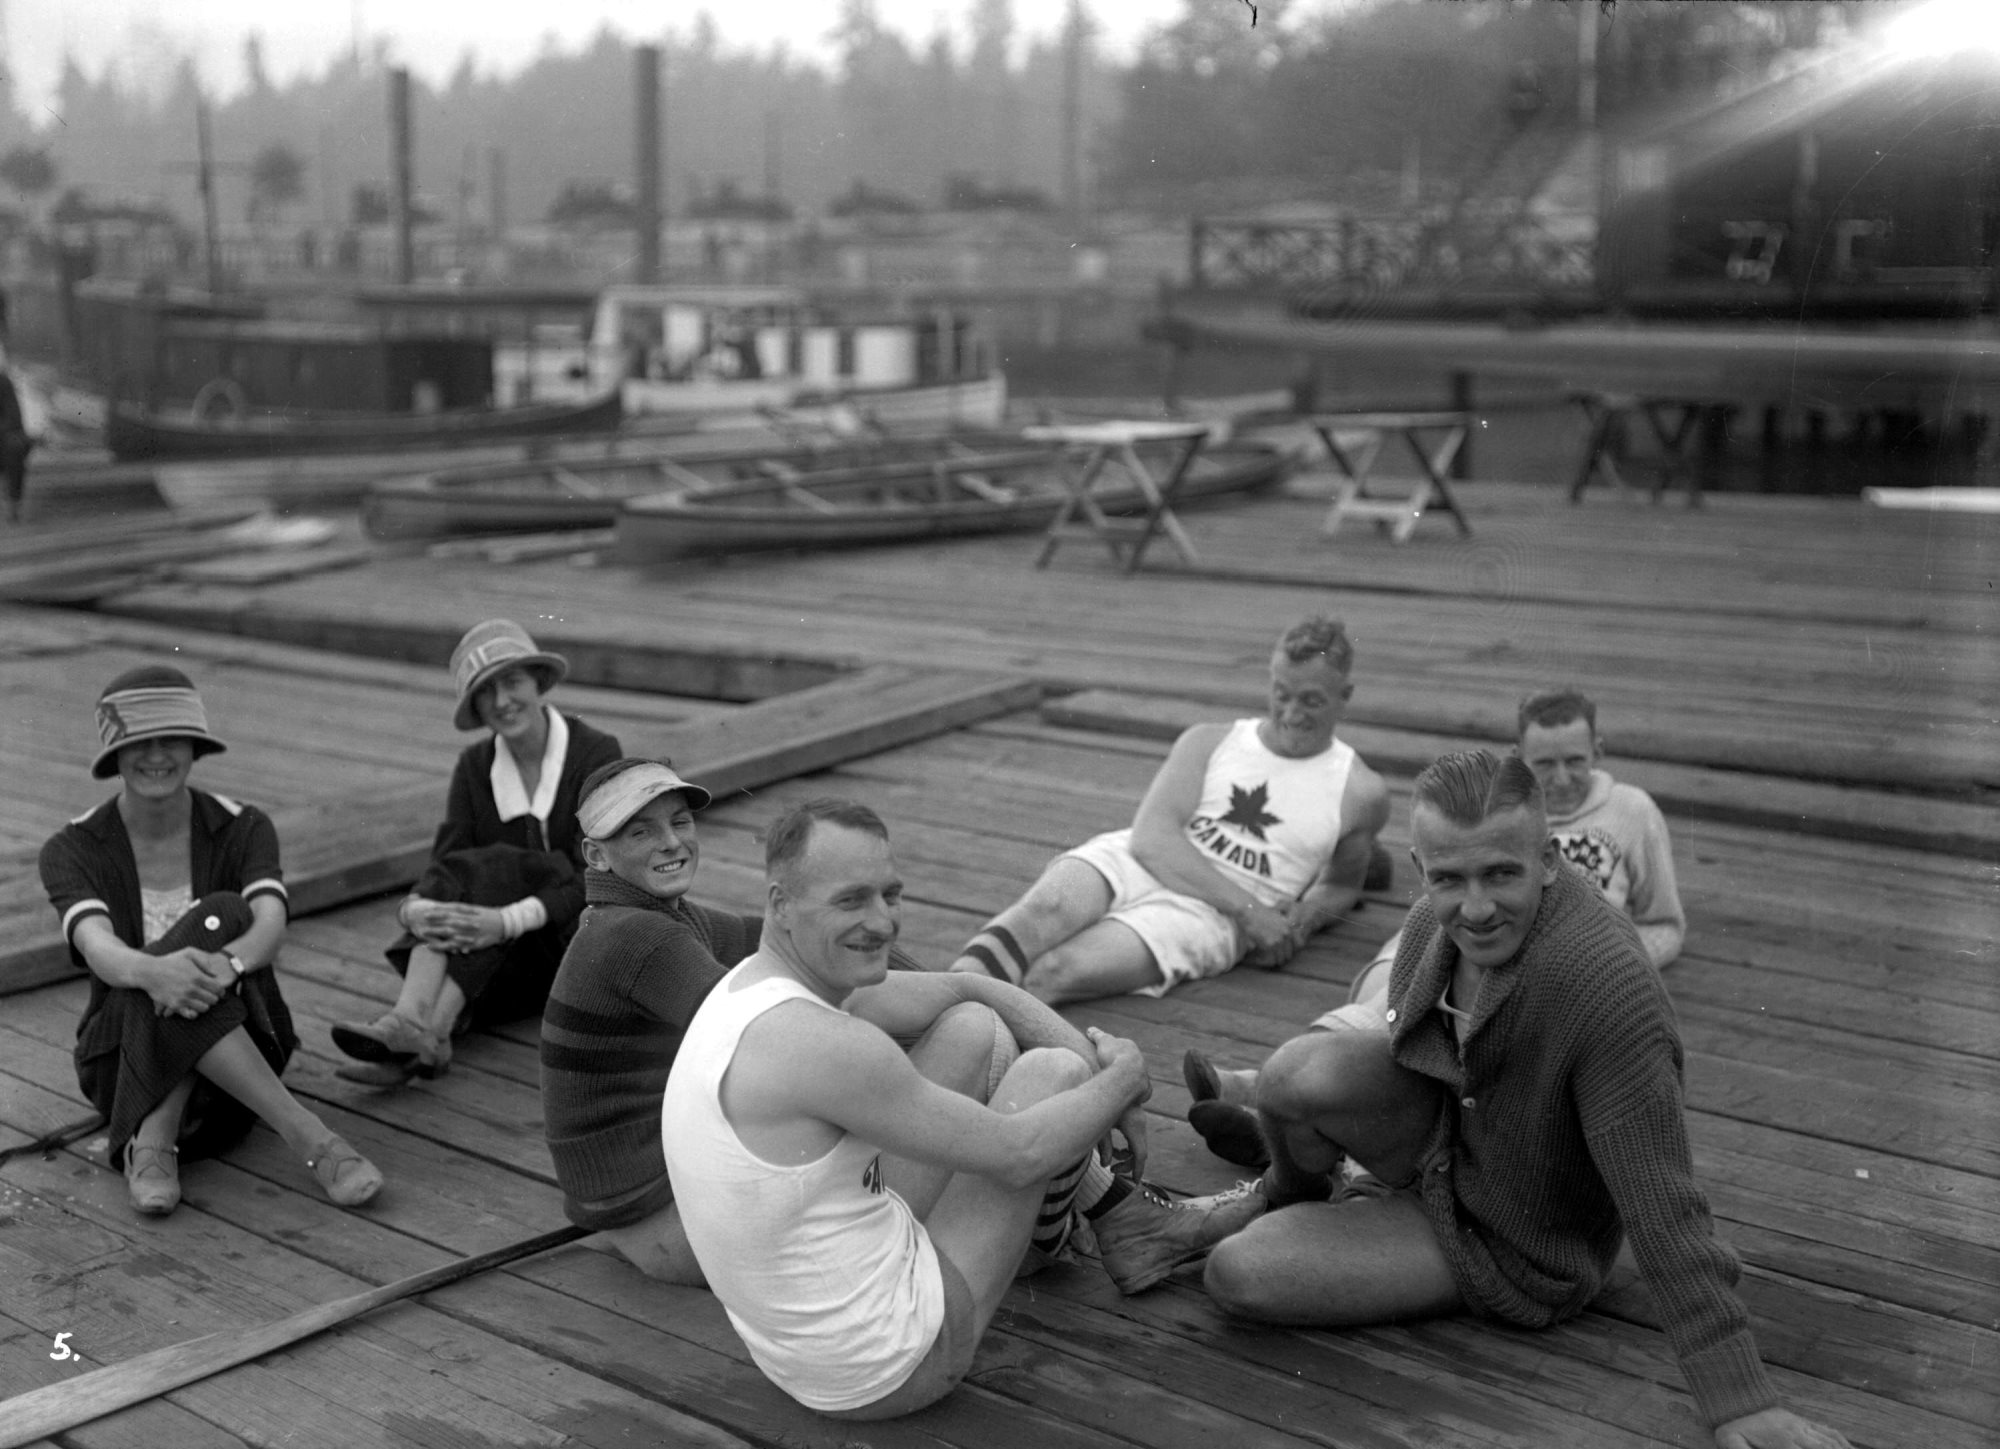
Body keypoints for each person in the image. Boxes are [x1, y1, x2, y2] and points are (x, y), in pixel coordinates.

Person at [1199, 750, 1851, 1449]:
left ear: (1547, 857)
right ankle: (1287, 1193)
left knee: (1238, 1273)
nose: (1474, 908)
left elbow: (1665, 1201)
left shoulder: (1604, 984)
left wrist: (1739, 1399)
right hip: (1446, 1146)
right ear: (1421, 868)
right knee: (1289, 1074)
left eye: (1501, 873)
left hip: (1518, 1238)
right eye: (1449, 877)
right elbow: (1414, 1061)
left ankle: (1345, 1217)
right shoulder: (1429, 927)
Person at [661, 799, 1265, 1418]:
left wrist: (1077, 1058)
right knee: (1054, 1077)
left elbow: (968, 987)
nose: (881, 922)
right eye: (850, 900)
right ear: (780, 904)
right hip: (889, 1365)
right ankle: (1090, 1223)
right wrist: (1125, 1079)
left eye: (889, 894)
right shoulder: (820, 1045)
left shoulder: (752, 990)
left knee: (972, 1028)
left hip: (798, 1346)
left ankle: (1083, 1215)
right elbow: (1019, 1152)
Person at [1186, 683, 1688, 1167]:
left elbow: (1664, 921)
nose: (1559, 777)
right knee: (1383, 996)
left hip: (1530, 949)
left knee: (1419, 1027)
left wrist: (1612, 959)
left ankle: (1279, 1114)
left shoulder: (1632, 811)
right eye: (1544, 763)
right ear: (1518, 756)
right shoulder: (1498, 805)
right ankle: (1271, 1092)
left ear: (1598, 750)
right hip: (1452, 927)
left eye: (1574, 760)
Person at [38, 666, 383, 1216]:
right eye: (138, 743)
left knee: (223, 914)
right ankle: (314, 1139)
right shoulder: (72, 846)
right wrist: (155, 974)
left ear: (195, 747)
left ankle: (151, 1144)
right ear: (116, 757)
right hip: (118, 1062)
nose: (156, 756)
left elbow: (270, 921)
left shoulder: (243, 826)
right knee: (146, 968)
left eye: (170, 739)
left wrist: (228, 967)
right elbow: (98, 946)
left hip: (245, 1058)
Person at [948, 614, 1390, 1005]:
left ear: (1344, 694)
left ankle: (962, 1041)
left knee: (1055, 971)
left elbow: (1340, 884)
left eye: (1310, 700)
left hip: (1207, 919)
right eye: (1281, 694)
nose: (1291, 713)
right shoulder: (1209, 740)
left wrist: (1301, 923)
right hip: (1145, 864)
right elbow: (1151, 839)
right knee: (1042, 912)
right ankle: (938, 1005)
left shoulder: (1361, 791)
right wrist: (1252, 913)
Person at [332, 620, 621, 1085]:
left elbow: (598, 874)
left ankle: (413, 1028)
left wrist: (503, 922)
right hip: (499, 959)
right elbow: (447, 861)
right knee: (467, 878)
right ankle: (428, 1034)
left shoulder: (595, 752)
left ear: (537, 683)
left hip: (578, 949)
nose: (503, 701)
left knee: (496, 866)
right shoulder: (474, 766)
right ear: (478, 707)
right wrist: (417, 910)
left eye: (512, 683)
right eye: (487, 692)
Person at [0, 342, 34, 524]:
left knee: (14, 447)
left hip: (3, 439)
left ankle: (13, 504)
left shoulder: (3, 382)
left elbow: (13, 417)